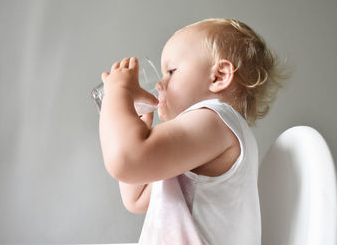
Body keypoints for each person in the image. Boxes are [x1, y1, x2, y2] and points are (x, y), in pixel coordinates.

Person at [99, 18, 291, 244]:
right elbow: (137, 197)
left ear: (218, 76)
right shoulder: (199, 142)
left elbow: (126, 160)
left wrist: (118, 90)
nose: (160, 84)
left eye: (171, 71)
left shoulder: (216, 120)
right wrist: (137, 125)